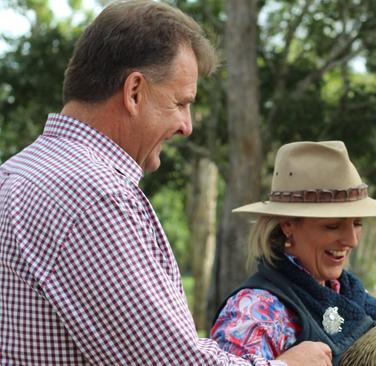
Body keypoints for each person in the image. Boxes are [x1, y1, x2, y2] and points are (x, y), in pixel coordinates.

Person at [0, 1, 331, 365]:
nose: (186, 126)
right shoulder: (96, 196)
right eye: (180, 103)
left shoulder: (15, 174)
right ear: (134, 92)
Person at [210, 140, 376, 366]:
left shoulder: (354, 297)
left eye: (357, 223)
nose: (351, 240)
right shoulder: (256, 312)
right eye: (332, 226)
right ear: (288, 225)